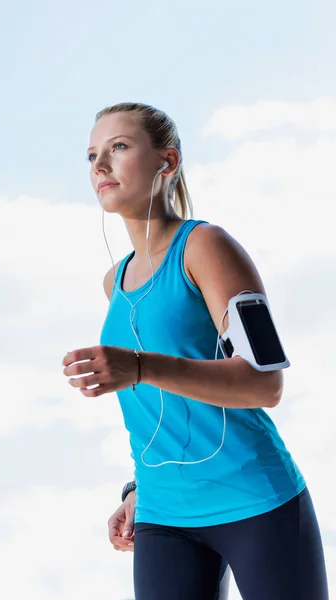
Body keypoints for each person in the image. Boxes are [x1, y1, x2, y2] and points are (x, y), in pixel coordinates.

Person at [62, 102, 329, 599]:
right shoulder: (113, 285)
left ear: (168, 160)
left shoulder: (206, 246)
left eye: (118, 147)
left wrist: (139, 367)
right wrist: (137, 490)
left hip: (255, 502)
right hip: (163, 516)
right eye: (92, 154)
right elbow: (162, 409)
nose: (100, 165)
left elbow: (265, 383)